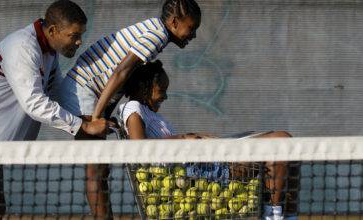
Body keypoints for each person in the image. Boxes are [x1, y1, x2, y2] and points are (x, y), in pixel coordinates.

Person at [56, 0, 202, 218]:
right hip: (83, 92)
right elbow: (120, 73)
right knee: (96, 171)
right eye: (191, 28)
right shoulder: (157, 35)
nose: (194, 35)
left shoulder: (155, 30)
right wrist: (96, 116)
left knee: (100, 170)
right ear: (173, 22)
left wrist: (105, 113)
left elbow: (122, 78)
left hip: (92, 95)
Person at [0, 1, 111, 219]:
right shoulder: (22, 47)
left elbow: (56, 93)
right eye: (74, 35)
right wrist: (83, 126)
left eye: (80, 35)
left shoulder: (49, 52)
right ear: (53, 31)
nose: (79, 41)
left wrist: (86, 117)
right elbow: (34, 103)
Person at [118, 60, 296, 220]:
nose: (165, 96)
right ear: (144, 88)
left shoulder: (146, 112)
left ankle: (276, 213)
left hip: (204, 164)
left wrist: (195, 136)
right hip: (201, 172)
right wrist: (183, 139)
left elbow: (167, 141)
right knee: (281, 141)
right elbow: (139, 149)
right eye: (161, 91)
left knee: (282, 142)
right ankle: (274, 214)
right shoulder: (133, 108)